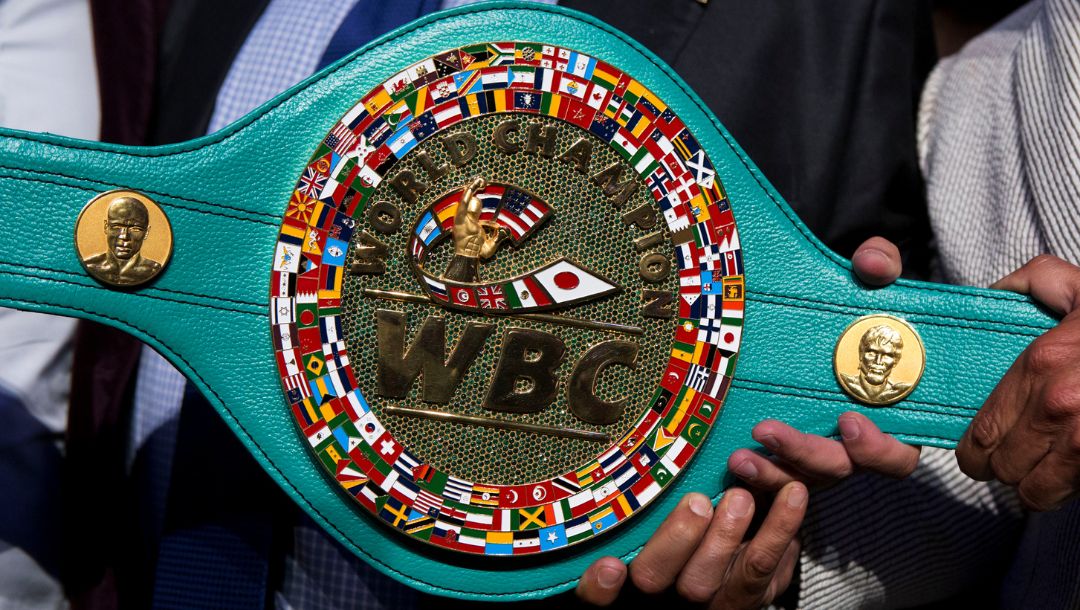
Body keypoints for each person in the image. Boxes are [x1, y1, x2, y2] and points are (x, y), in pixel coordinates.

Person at [82, 196, 162, 285]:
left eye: (135, 228)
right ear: (106, 227)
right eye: (116, 227)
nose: (124, 236)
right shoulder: (90, 266)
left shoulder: (154, 270)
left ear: (146, 232)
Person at [839, 325, 910, 403]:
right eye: (872, 353)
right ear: (861, 354)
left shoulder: (899, 390)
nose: (878, 361)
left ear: (895, 361)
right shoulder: (846, 382)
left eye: (886, 355)